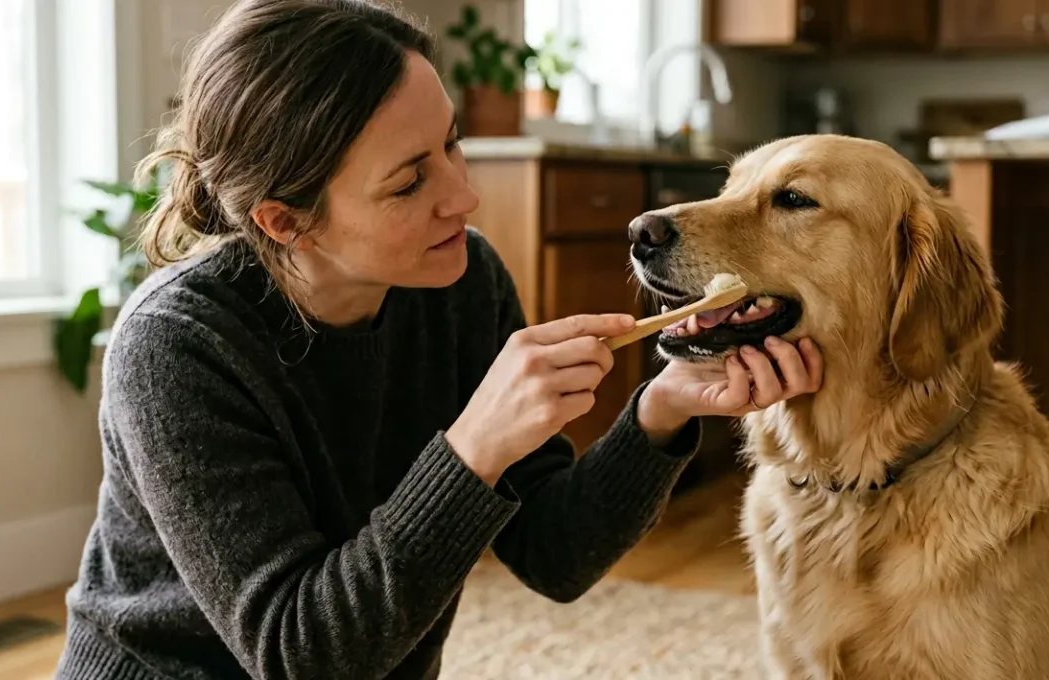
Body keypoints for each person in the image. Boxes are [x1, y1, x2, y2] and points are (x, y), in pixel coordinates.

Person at [54, 1, 823, 678]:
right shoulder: (176, 348)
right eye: (408, 181)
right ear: (285, 221)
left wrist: (661, 410)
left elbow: (555, 556)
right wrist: (474, 446)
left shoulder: (461, 282)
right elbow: (303, 657)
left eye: (452, 145)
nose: (465, 195)